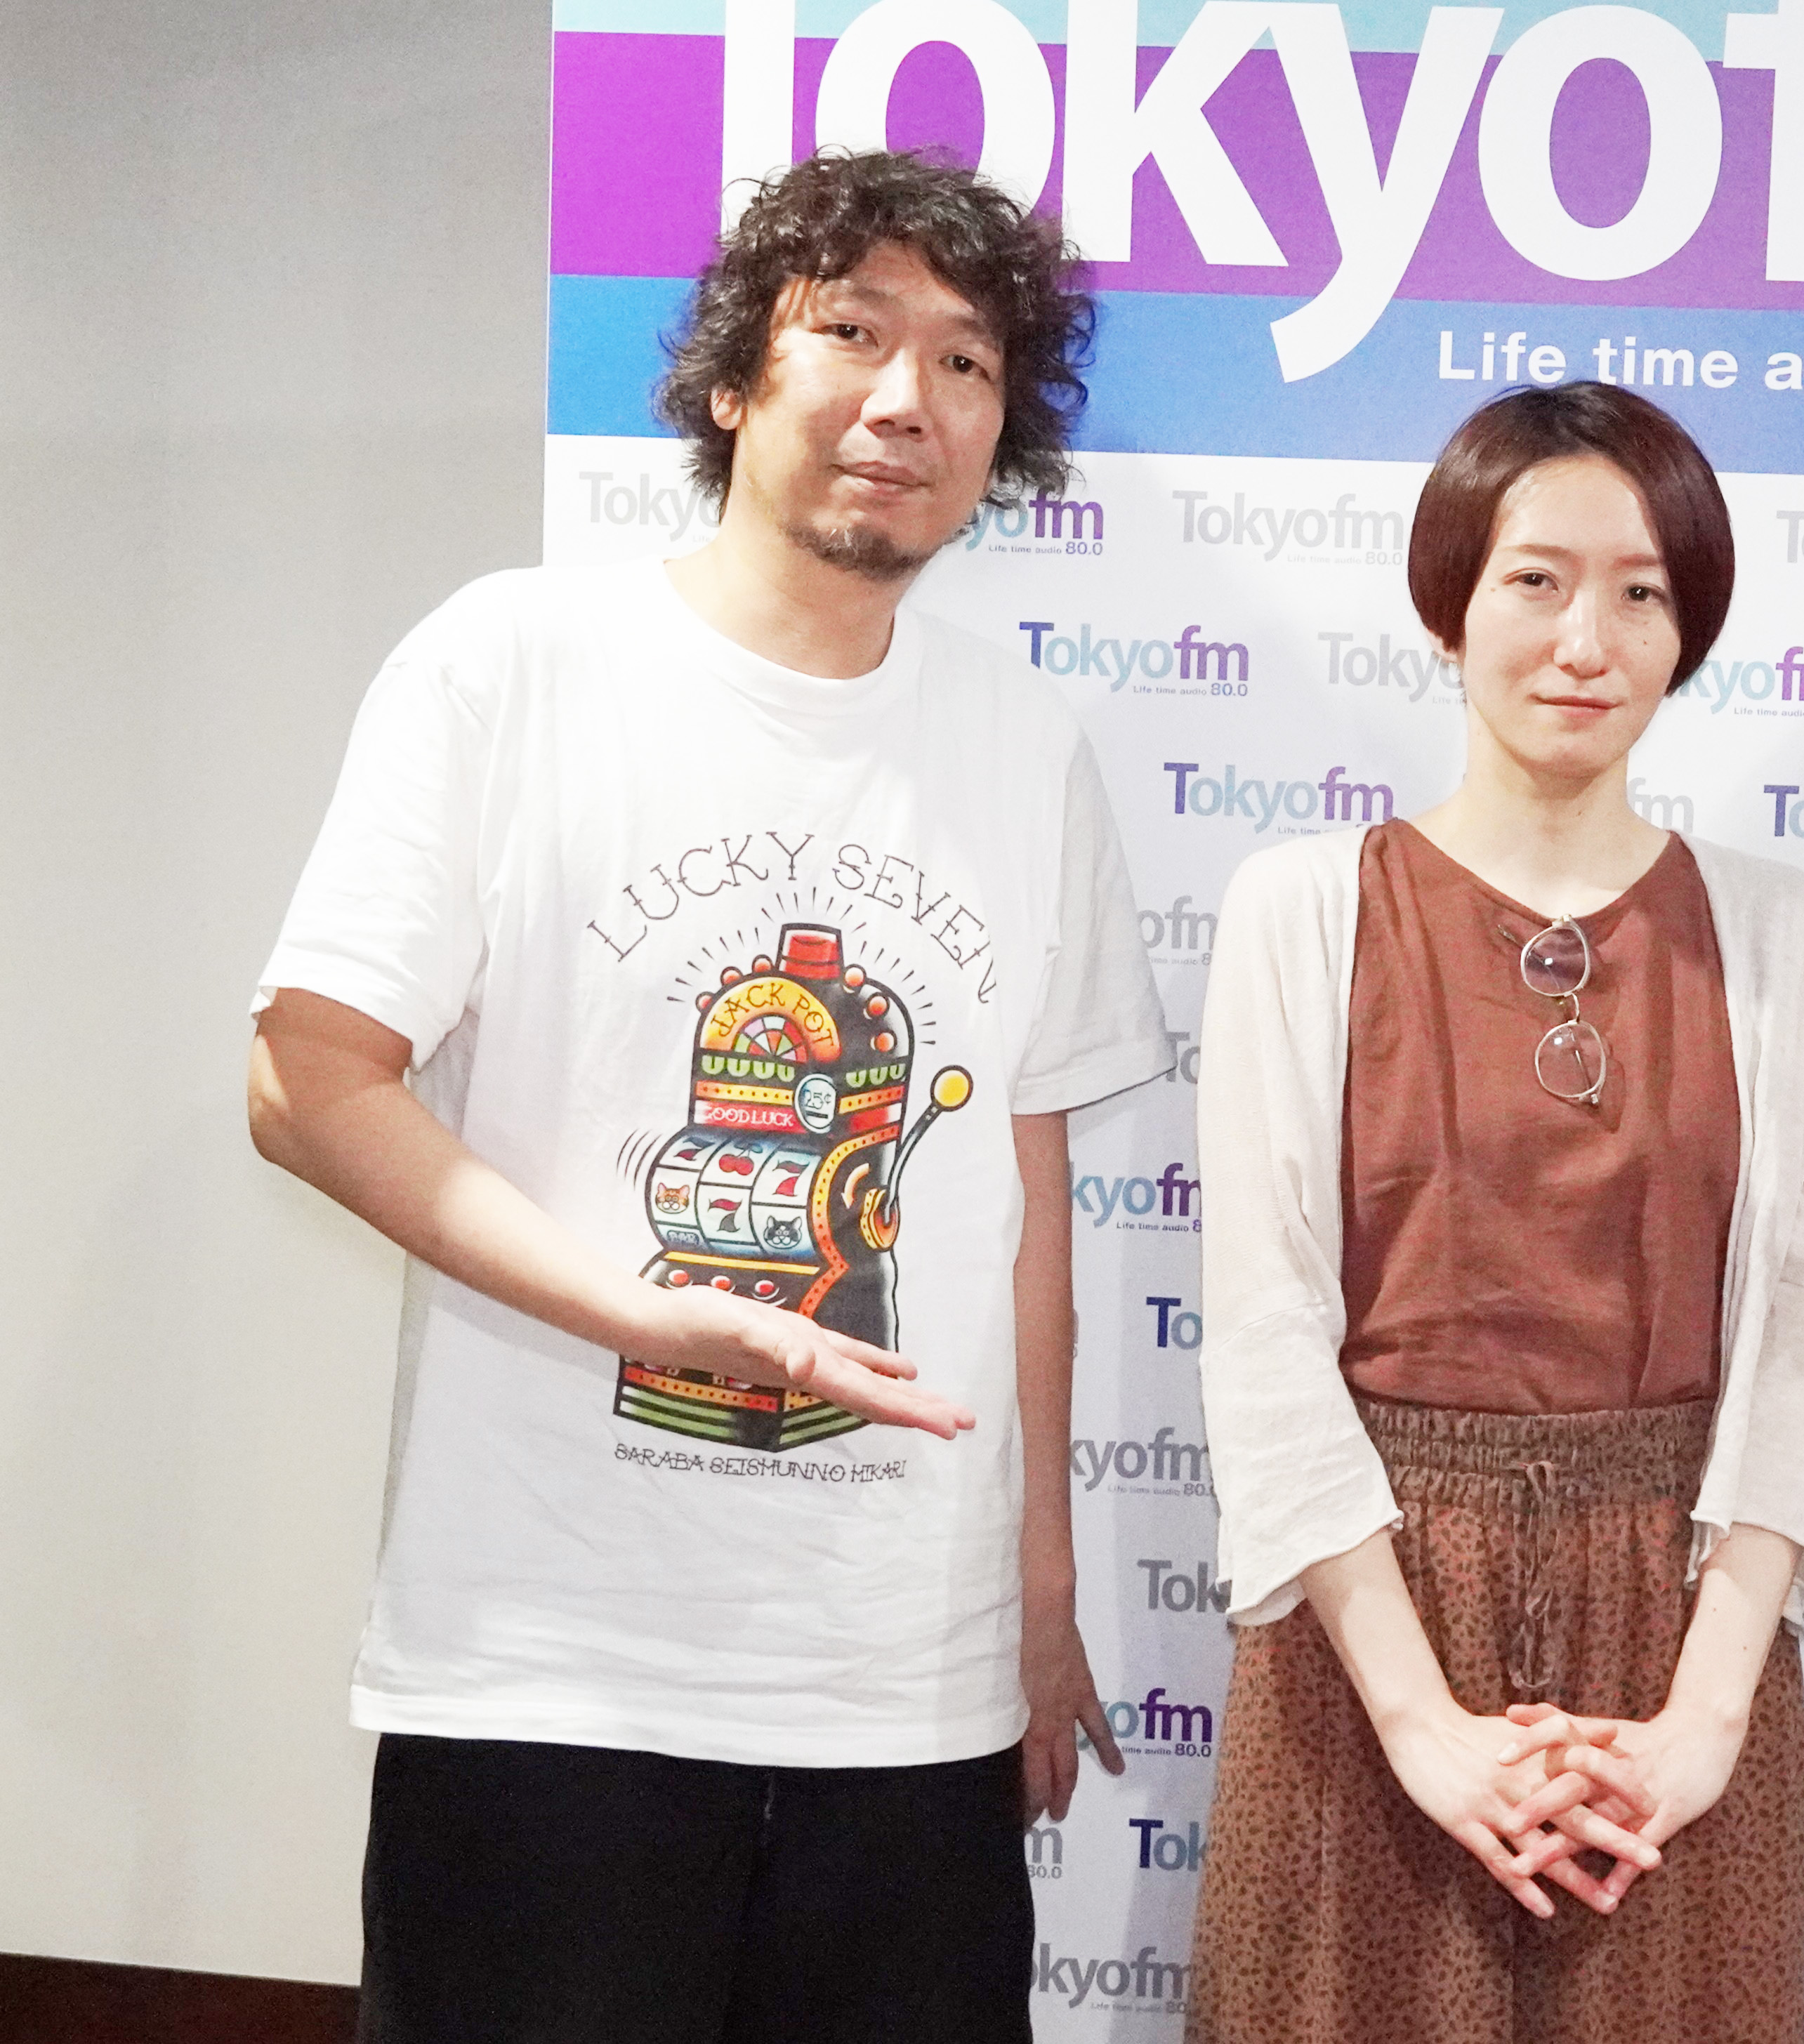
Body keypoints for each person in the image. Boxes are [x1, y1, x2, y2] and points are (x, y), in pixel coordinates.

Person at [246, 150, 1168, 2044]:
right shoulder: (512, 664)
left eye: (966, 361)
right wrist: (642, 1314)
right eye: (852, 333)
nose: (907, 397)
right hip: (549, 1677)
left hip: (909, 1696)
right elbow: (305, 1075)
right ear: (737, 378)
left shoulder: (1023, 739)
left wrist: (1037, 1599)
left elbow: (1021, 1202)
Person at [1185, 383, 1804, 2044]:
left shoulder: (1784, 931)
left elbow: (1802, 1338)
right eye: (1536, 581)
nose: (1586, 640)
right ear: (1451, 604)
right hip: (1372, 1618)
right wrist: (1424, 1723)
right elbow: (1265, 1327)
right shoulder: (1300, 906)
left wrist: (1700, 1726)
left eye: (1642, 593)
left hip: (1680, 1618)